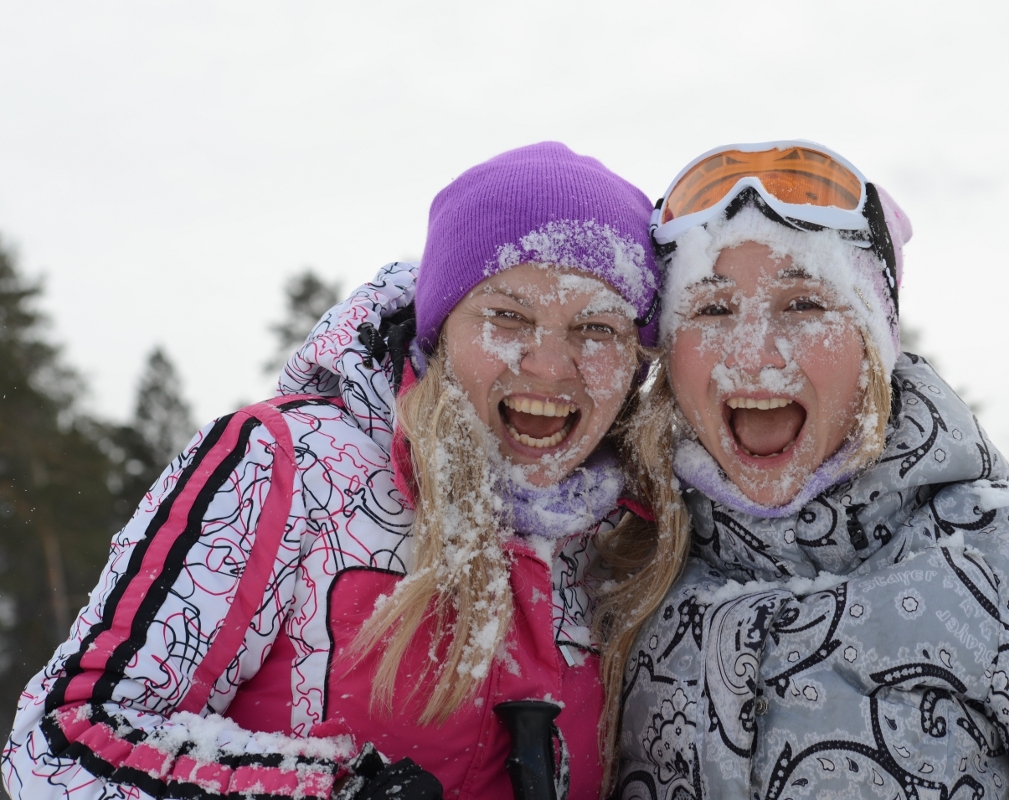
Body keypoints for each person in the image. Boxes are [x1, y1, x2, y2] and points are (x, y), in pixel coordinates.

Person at [2, 142, 687, 800]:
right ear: (440, 328)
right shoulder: (288, 466)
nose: (546, 362)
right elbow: (58, 750)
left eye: (596, 329)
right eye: (507, 316)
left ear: (637, 359)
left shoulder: (636, 540)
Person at [615, 140, 1009, 798]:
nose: (753, 356)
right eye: (711, 310)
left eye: (804, 305)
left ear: (875, 341)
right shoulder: (623, 576)